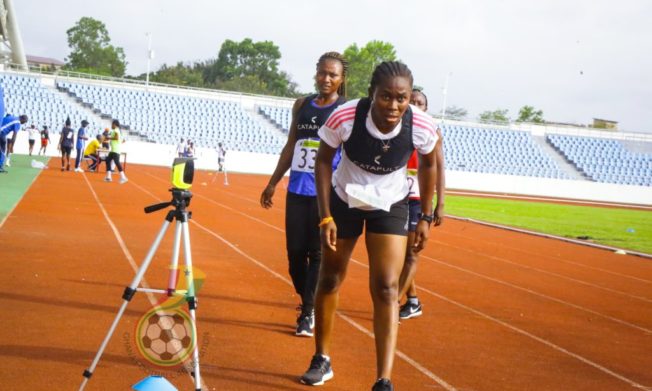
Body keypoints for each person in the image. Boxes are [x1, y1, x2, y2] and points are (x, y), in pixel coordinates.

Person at [300, 62, 438, 391]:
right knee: (331, 278)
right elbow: (322, 161)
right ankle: (322, 359)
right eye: (385, 97)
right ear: (371, 95)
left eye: (401, 98)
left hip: (389, 203)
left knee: (387, 288)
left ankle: (384, 380)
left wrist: (426, 216)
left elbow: (431, 163)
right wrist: (325, 216)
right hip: (345, 200)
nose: (393, 106)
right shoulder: (345, 116)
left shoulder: (420, 124)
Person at [261, 52, 348, 337]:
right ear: (316, 73)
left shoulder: (346, 110)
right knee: (295, 256)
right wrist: (273, 181)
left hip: (327, 195)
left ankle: (308, 312)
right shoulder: (301, 105)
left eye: (333, 75)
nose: (326, 79)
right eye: (322, 73)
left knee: (317, 253)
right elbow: (291, 147)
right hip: (297, 191)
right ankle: (308, 298)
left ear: (341, 79)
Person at [398, 89, 446, 321]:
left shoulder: (431, 132)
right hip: (397, 197)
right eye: (413, 100)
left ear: (425, 107)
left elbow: (438, 168)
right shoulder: (398, 125)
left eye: (420, 102)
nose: (416, 104)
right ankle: (413, 300)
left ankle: (394, 301)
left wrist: (440, 203)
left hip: (417, 199)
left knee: (409, 254)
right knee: (398, 255)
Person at [104, 119, 128, 184]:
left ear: (115, 124)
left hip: (115, 150)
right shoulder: (118, 131)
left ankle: (123, 177)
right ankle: (109, 177)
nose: (111, 125)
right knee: (108, 160)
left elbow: (117, 138)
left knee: (116, 162)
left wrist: (109, 138)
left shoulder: (116, 130)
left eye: (112, 124)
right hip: (114, 149)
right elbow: (123, 140)